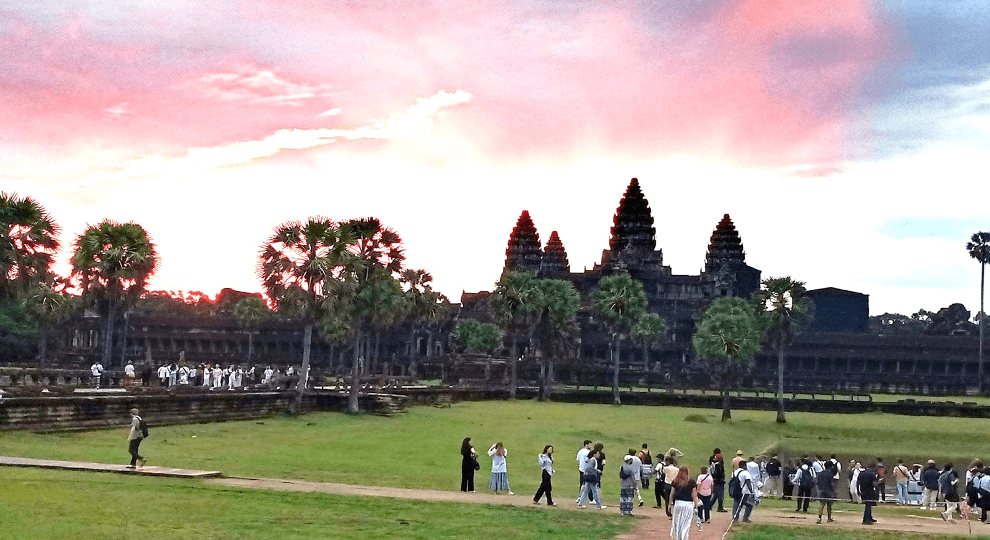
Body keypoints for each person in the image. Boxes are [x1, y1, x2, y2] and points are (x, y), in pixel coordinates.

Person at [670, 466, 699, 539]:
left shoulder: (675, 481)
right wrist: (696, 505)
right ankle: (684, 537)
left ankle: (677, 537)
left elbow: (672, 493)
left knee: (677, 523)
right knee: (686, 524)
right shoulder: (691, 481)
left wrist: (670, 504)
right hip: (688, 504)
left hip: (678, 504)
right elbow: (694, 495)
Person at [816, 459, 837, 524]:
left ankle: (819, 517)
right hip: (828, 491)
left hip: (821, 490)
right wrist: (834, 491)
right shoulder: (830, 474)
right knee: (829, 505)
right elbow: (831, 483)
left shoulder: (820, 473)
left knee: (822, 505)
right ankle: (829, 517)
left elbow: (817, 482)